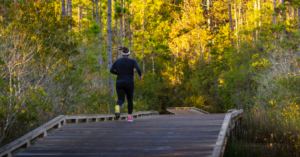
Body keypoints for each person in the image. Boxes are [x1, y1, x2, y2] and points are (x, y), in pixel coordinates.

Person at [110, 47, 143, 122]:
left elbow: (111, 70)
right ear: (129, 54)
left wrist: (118, 73)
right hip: (129, 82)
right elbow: (138, 69)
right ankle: (129, 117)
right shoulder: (132, 61)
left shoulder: (117, 61)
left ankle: (118, 106)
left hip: (119, 82)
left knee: (120, 99)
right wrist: (140, 75)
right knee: (130, 99)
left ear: (122, 54)